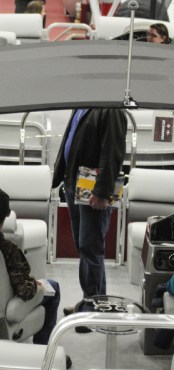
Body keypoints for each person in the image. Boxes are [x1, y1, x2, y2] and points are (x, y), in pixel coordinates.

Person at [52, 108, 127, 327]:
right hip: (75, 182)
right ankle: (92, 302)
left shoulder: (110, 108)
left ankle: (93, 310)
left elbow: (113, 151)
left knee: (90, 247)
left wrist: (102, 192)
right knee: (85, 247)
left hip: (93, 187)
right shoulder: (83, 104)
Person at [0, 187, 67, 364]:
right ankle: (45, 354)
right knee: (53, 287)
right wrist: (34, 284)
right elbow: (25, 292)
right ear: (7, 215)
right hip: (2, 309)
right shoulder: (8, 249)